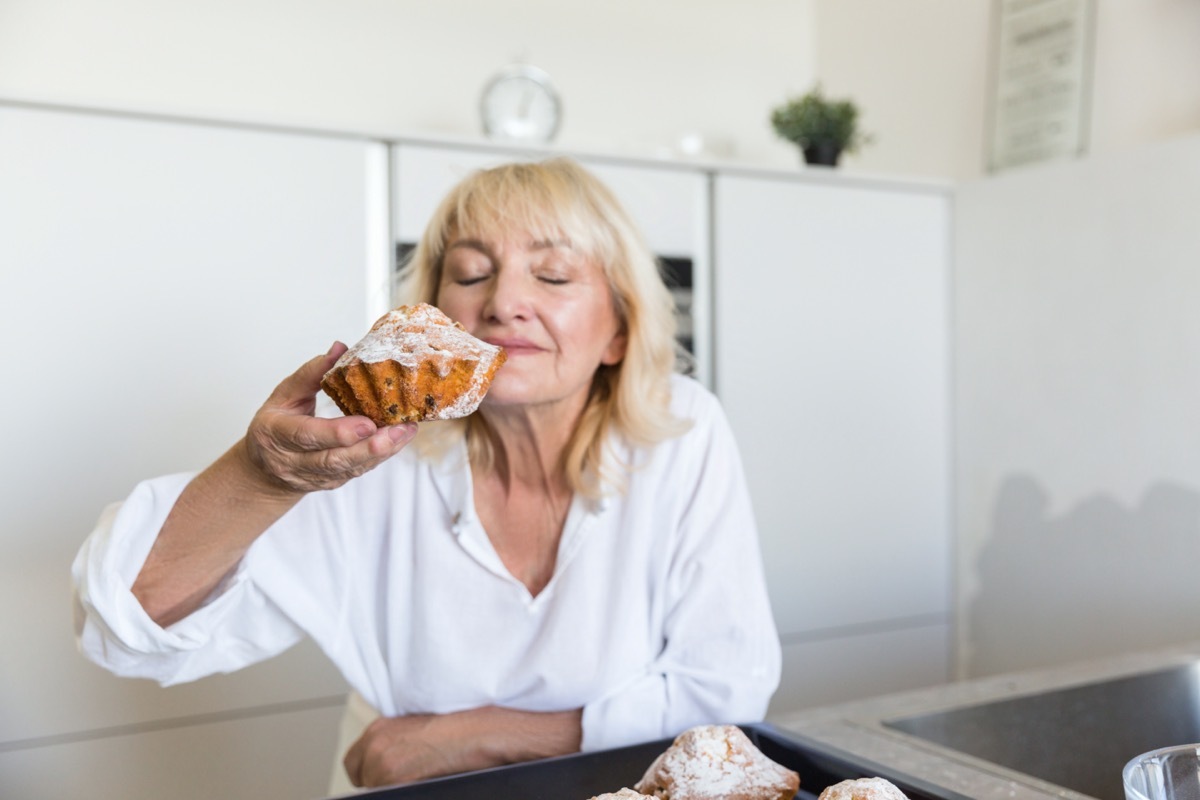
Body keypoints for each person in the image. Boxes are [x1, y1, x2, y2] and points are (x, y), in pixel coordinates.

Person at [72, 157, 781, 793]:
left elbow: (725, 696)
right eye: (471, 274)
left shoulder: (681, 430)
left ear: (620, 330)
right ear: (439, 319)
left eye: (554, 274)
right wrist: (262, 477)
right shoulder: (376, 455)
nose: (503, 303)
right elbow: (125, 625)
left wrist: (468, 737)